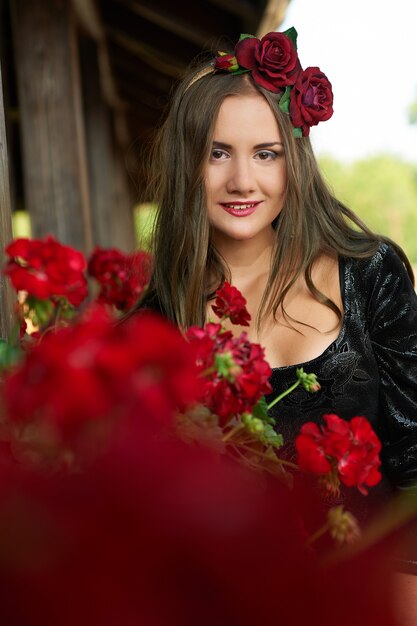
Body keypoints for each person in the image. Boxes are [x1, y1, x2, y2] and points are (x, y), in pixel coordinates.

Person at [139, 27, 417, 558]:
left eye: (266, 154)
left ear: (295, 161)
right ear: (187, 167)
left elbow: (416, 463)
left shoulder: (370, 274)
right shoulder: (156, 325)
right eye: (218, 153)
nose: (243, 180)